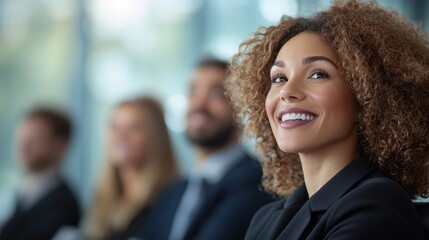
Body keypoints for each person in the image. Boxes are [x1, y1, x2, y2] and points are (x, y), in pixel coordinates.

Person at [226, 1, 428, 239]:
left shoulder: (376, 205)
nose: (287, 91)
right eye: (279, 77)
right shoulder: (266, 218)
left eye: (318, 74)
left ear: (368, 95)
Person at [137, 59, 273, 240]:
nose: (199, 104)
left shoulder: (257, 182)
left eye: (217, 93)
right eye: (193, 92)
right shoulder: (173, 192)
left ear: (241, 108)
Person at [82, 97, 179, 240]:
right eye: (115, 127)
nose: (120, 136)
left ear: (155, 138)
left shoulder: (167, 200)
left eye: (134, 128)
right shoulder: (102, 198)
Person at [0, 108, 80, 240]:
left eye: (35, 138)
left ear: (60, 145)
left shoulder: (64, 205)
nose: (23, 145)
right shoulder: (14, 194)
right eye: (21, 136)